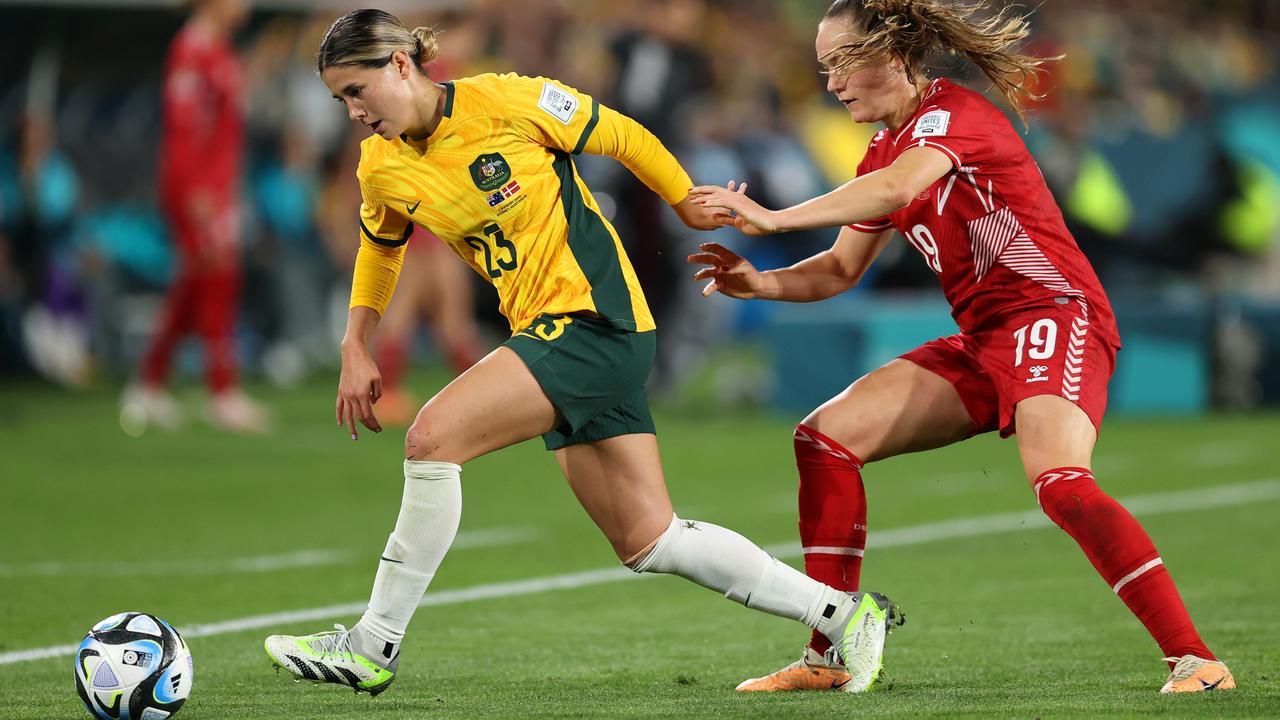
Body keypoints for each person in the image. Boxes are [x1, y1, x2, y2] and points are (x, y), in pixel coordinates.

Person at [263, 9, 901, 698]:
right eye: (340, 100)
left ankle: (372, 644)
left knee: (431, 437)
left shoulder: (505, 99)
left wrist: (684, 199)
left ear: (399, 64)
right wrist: (355, 341)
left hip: (595, 319)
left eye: (356, 91)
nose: (352, 112)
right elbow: (380, 250)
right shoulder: (381, 166)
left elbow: (619, 131)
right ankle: (843, 616)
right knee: (650, 539)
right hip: (548, 334)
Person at [688, 0, 1233, 696]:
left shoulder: (953, 116)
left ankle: (1197, 662)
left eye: (843, 62)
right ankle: (829, 652)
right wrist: (759, 282)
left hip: (1053, 314)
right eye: (823, 68)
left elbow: (899, 186)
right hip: (984, 340)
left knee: (1060, 481)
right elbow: (838, 269)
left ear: (894, 53)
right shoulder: (883, 148)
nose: (832, 83)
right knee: (825, 439)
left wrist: (774, 217)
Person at [122, 0, 268, 433]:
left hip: (218, 186)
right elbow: (183, 126)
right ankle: (222, 393)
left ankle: (148, 385)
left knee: (194, 282)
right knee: (219, 278)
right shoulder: (191, 48)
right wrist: (197, 189)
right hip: (197, 188)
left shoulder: (219, 49)